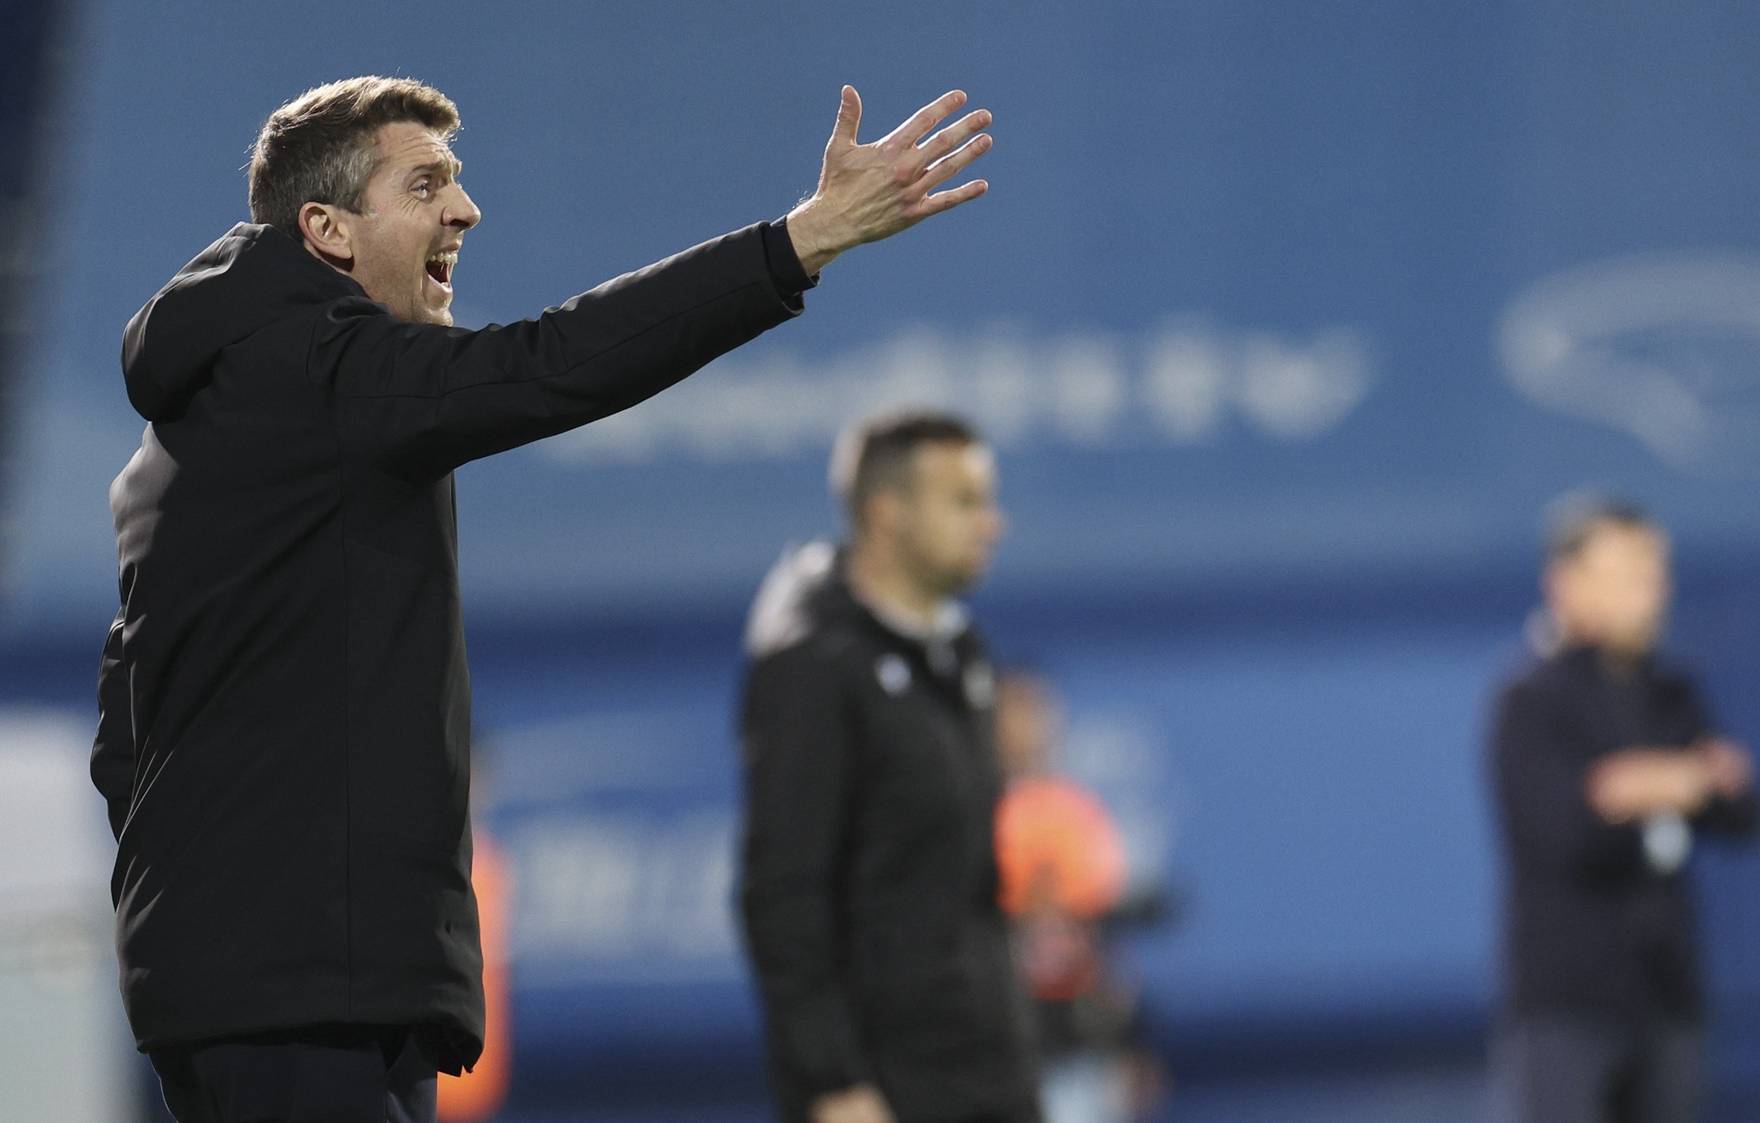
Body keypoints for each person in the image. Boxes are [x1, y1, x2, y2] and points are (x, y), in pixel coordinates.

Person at [90, 74, 993, 1123]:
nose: (463, 210)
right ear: (327, 228)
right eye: (425, 184)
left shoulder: (219, 404)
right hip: (290, 977)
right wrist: (799, 241)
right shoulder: (310, 372)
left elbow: (126, 730)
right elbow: (552, 363)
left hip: (301, 972)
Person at [737, 411, 1040, 1123]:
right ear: (886, 513)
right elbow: (782, 895)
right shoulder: (812, 665)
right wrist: (831, 1080)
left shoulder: (961, 652)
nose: (991, 523)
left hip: (991, 1073)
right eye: (964, 501)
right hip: (882, 1088)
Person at [1487, 497, 1760, 1123]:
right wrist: (1675, 781)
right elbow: (1565, 833)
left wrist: (1645, 785)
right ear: (1567, 583)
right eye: (1628, 575)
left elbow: (1743, 808)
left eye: (1654, 574)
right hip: (1568, 1006)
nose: (1650, 593)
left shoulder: (1671, 692)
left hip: (1667, 995)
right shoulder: (1530, 701)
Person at [992, 668, 1166, 1123]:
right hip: (991, 1044)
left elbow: (1103, 939)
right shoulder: (969, 809)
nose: (1030, 725)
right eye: (1017, 710)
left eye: (1038, 710)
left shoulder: (1075, 811)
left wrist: (1129, 1045)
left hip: (1074, 1048)